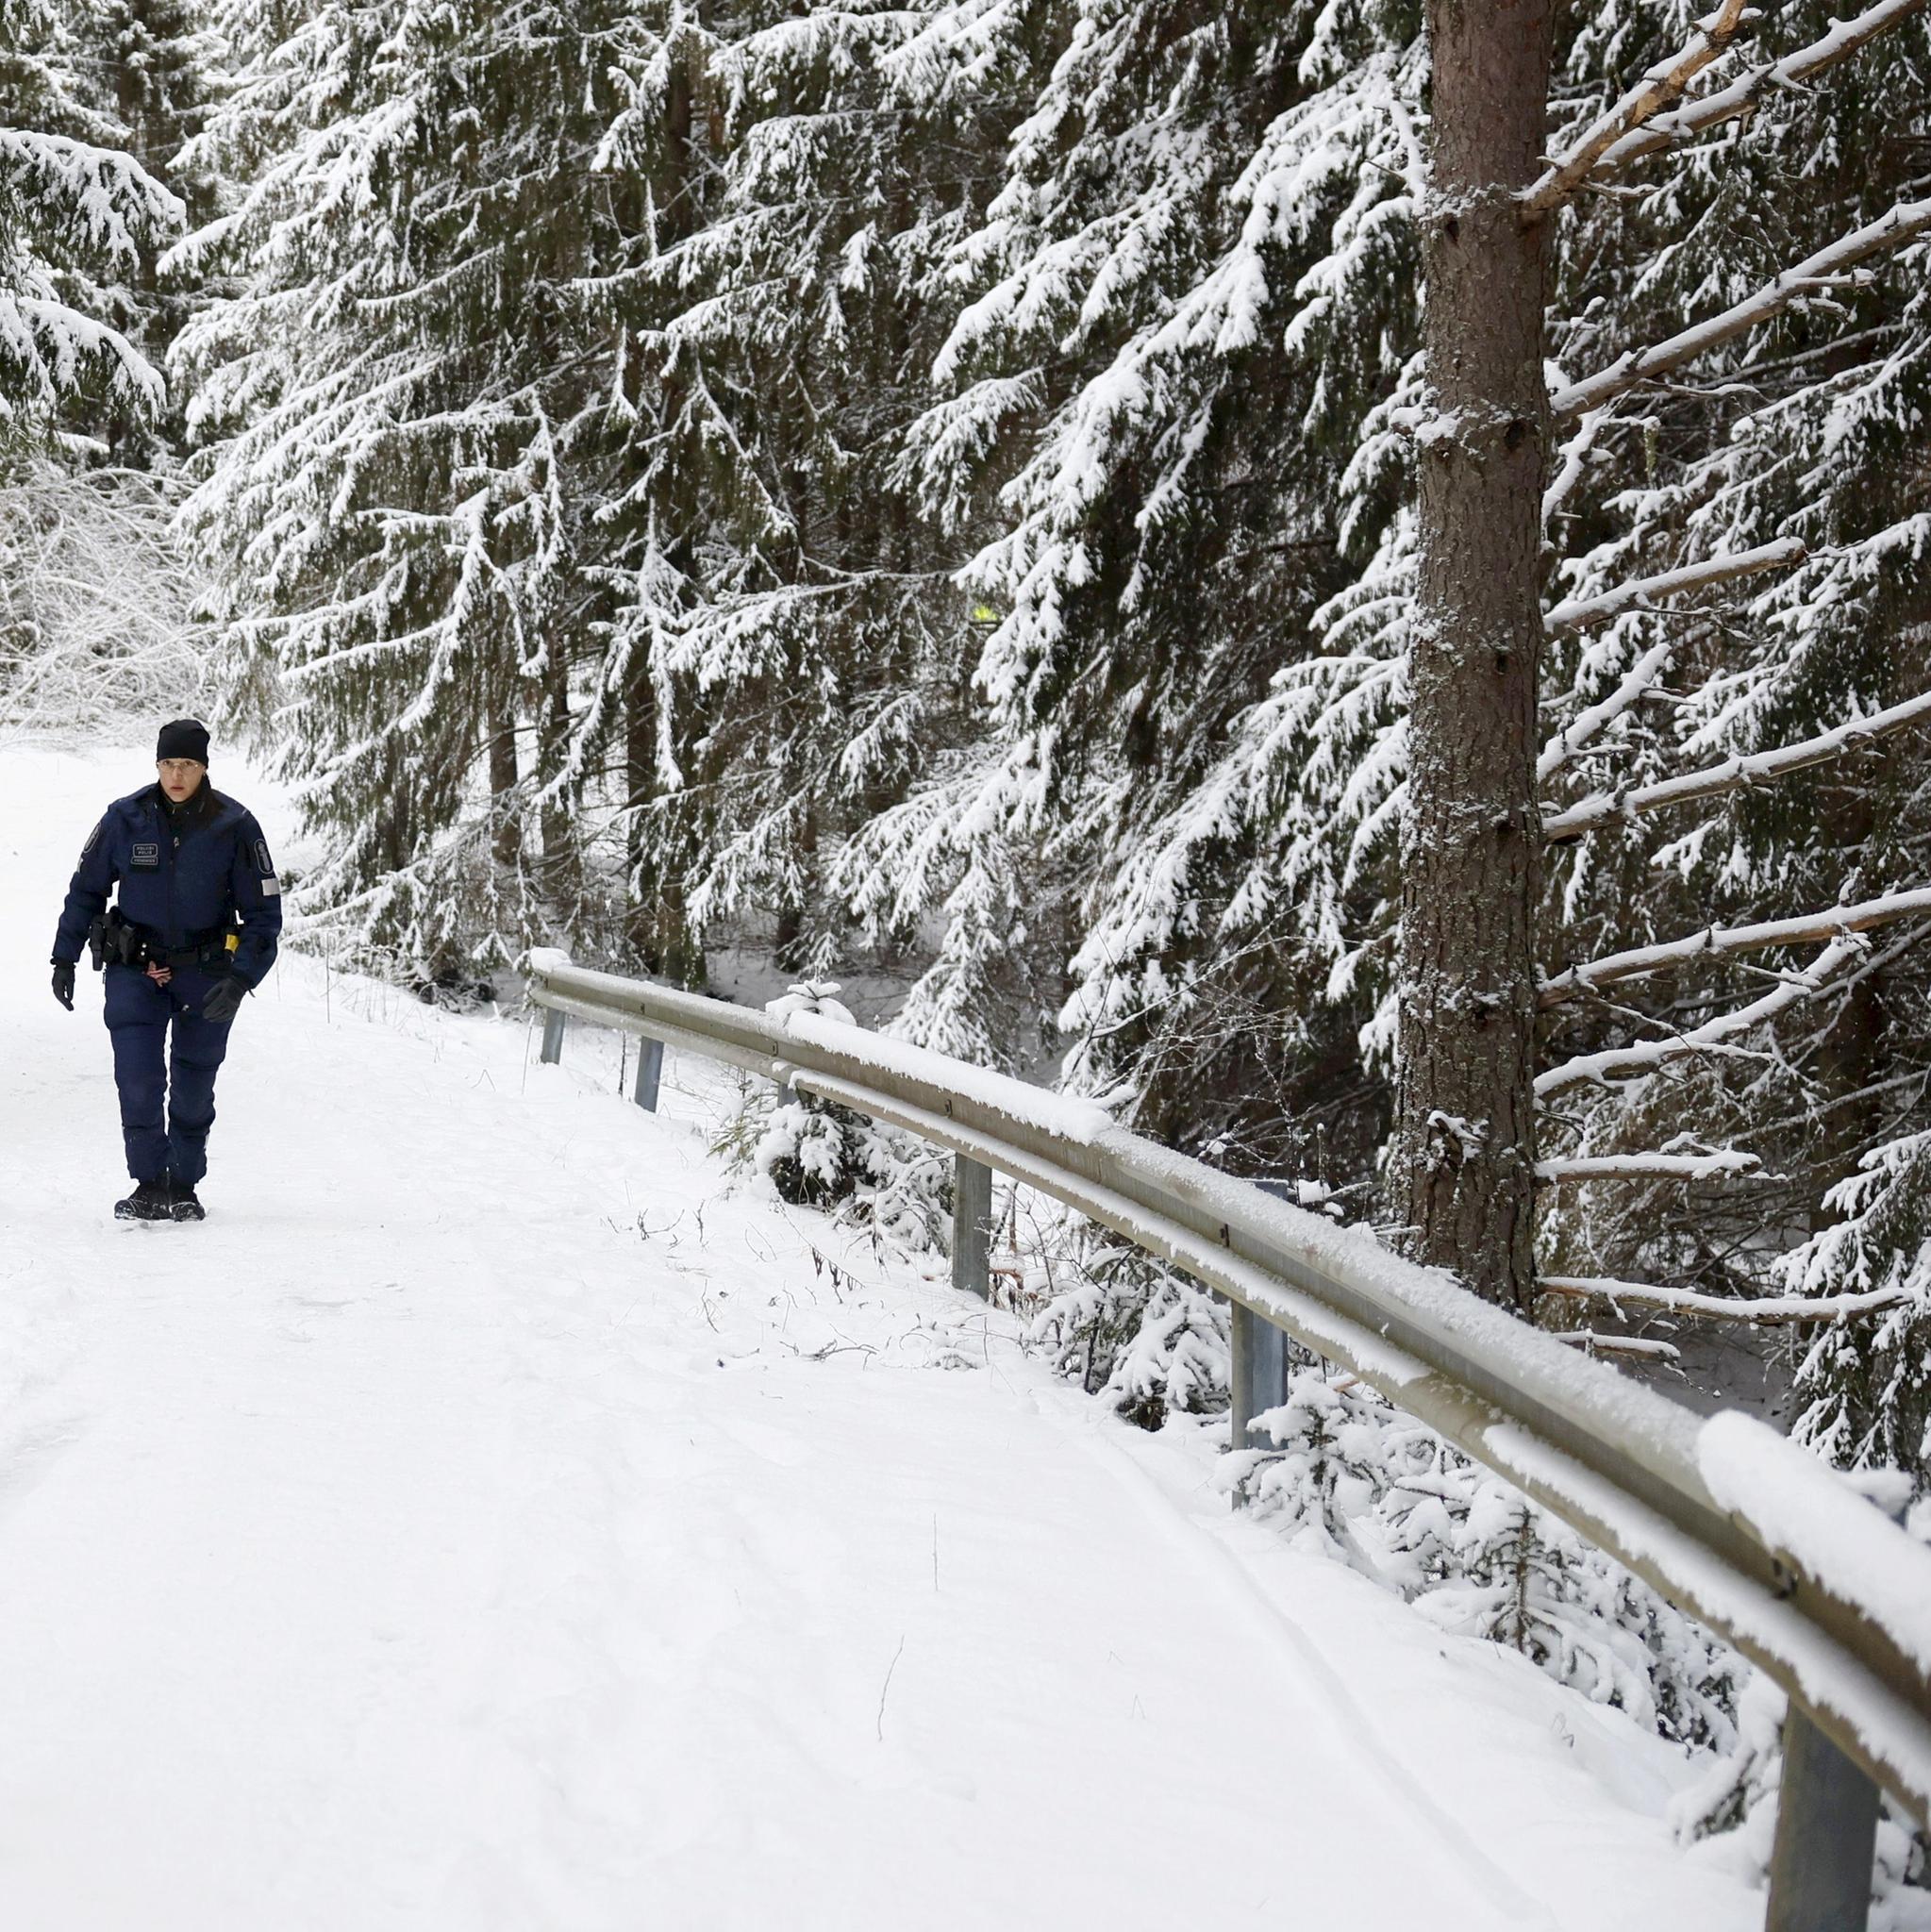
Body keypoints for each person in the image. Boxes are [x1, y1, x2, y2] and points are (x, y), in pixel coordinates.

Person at [49, 720, 283, 1222]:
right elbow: (86, 890)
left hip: (208, 973)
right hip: (135, 969)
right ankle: (149, 1181)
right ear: (157, 766)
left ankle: (183, 1183)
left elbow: (264, 916)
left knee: (195, 1082)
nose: (177, 774)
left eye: (188, 765)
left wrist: (242, 979)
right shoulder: (124, 819)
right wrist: (63, 956)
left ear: (203, 768)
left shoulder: (234, 826)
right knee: (138, 1079)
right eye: (168, 764)